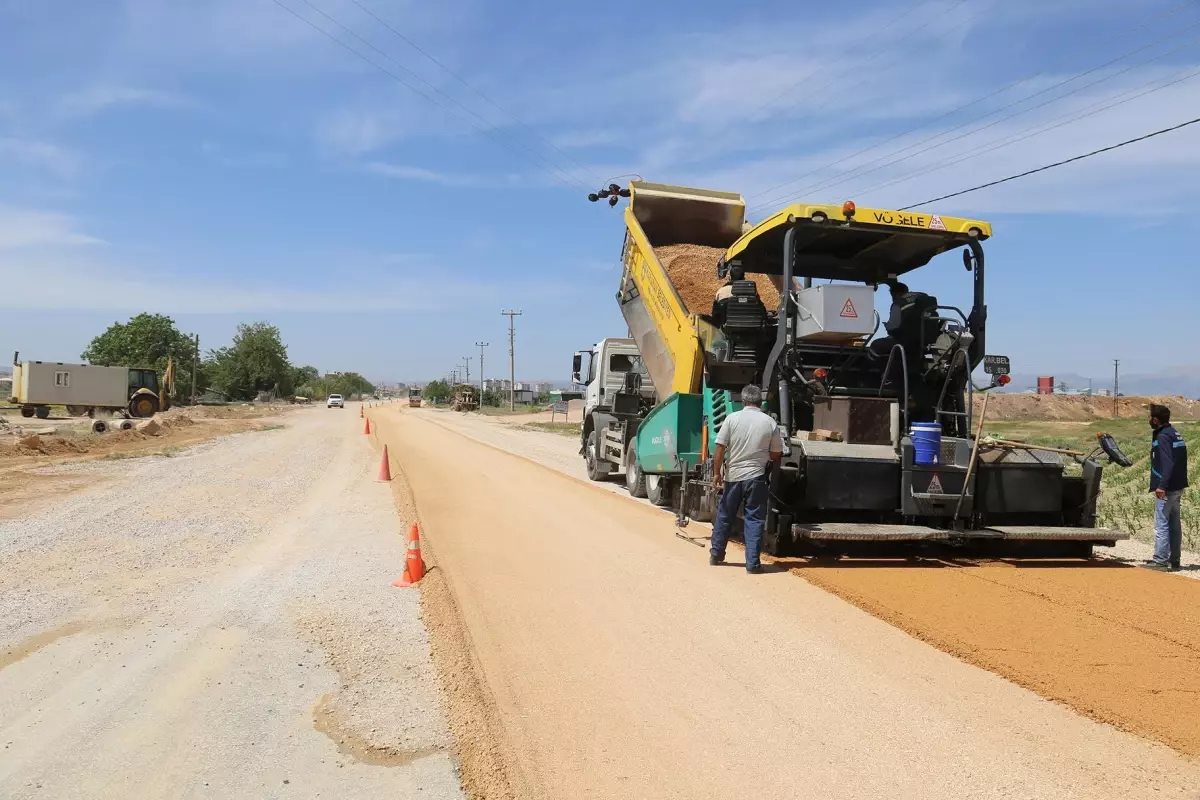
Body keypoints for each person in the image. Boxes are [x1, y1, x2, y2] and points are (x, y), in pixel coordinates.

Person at [710, 384, 784, 573]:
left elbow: (720, 448)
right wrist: (765, 458)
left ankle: (716, 555)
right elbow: (777, 453)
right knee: (754, 519)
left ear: (743, 401)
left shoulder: (731, 419)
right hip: (757, 477)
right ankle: (752, 564)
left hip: (733, 477)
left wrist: (717, 473)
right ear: (760, 402)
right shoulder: (769, 422)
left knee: (725, 515)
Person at [1146, 403, 1189, 571]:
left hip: (1167, 487)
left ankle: (1160, 560)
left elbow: (1168, 463)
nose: (1148, 419)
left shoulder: (1163, 436)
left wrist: (1162, 485)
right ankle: (1174, 560)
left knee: (1162, 524)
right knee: (1174, 523)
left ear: (1155, 420)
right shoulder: (1174, 433)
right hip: (1178, 485)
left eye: (1149, 417)